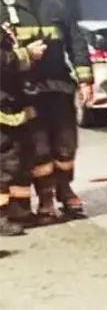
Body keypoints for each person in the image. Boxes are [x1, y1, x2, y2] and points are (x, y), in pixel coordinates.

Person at [0, 0, 93, 222]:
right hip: (26, 90)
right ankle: (46, 200)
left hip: (59, 85)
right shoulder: (4, 6)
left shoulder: (57, 2)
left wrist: (86, 79)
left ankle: (66, 190)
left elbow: (76, 41)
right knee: (38, 148)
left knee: (66, 145)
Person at [0, 23, 47, 235]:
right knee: (5, 163)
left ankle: (18, 212)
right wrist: (26, 54)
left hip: (11, 100)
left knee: (17, 160)